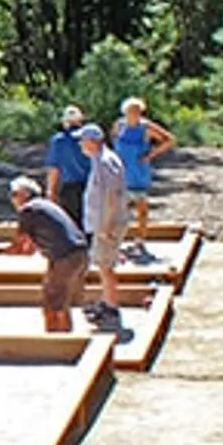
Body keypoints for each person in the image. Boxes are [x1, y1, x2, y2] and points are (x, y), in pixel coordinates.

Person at [0, 176, 88, 333]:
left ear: (24, 193)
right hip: (77, 254)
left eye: (14, 194)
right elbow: (27, 251)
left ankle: (57, 342)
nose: (12, 200)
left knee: (53, 304)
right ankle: (63, 337)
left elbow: (19, 247)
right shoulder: (44, 205)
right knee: (59, 302)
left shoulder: (28, 210)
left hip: (64, 258)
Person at [77, 123, 127, 331]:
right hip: (101, 223)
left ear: (93, 141)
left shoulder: (106, 162)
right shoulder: (99, 160)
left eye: (82, 140)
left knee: (106, 266)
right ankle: (106, 302)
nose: (80, 144)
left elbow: (112, 195)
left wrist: (106, 226)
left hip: (107, 224)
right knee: (103, 264)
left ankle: (111, 308)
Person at [111, 96, 175, 257]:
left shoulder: (146, 127)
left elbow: (169, 140)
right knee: (119, 210)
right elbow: (113, 141)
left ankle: (140, 240)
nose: (135, 114)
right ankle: (119, 240)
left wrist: (151, 155)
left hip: (139, 172)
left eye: (137, 111)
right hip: (121, 174)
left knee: (142, 209)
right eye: (131, 111)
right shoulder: (119, 125)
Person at [44, 105, 92, 227]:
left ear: (65, 122)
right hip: (91, 186)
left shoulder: (58, 141)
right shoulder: (89, 138)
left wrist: (51, 191)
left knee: (72, 225)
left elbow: (54, 169)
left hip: (69, 188)